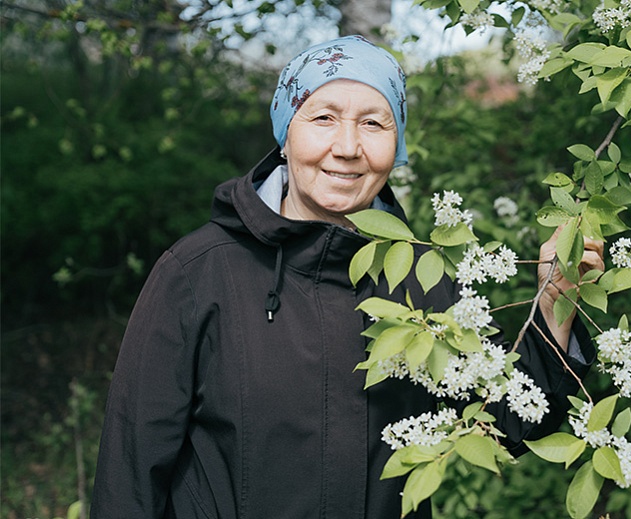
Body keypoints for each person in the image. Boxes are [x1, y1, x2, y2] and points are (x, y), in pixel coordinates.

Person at [90, 35, 603, 518]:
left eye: (374, 124)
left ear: (396, 149)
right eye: (324, 118)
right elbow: (130, 471)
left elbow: (507, 421)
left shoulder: (423, 280)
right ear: (285, 134)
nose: (348, 146)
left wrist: (556, 301)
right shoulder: (198, 272)